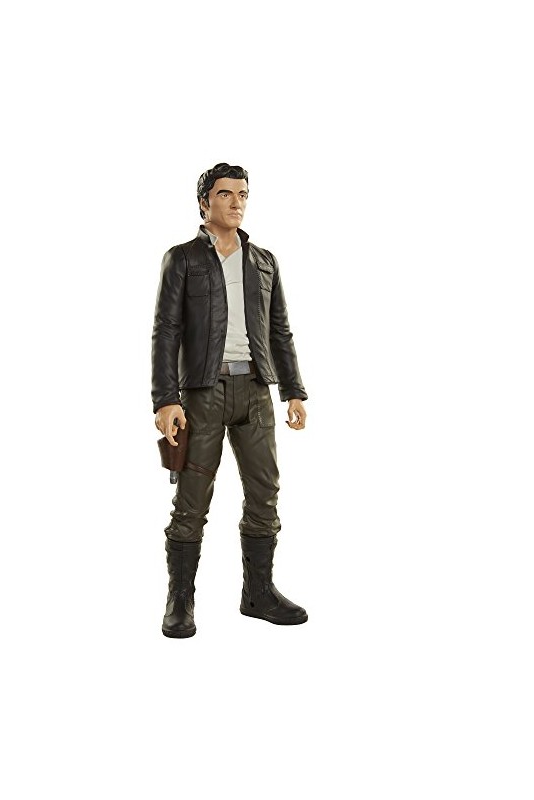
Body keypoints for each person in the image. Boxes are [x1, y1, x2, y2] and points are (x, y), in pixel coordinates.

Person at [151, 162, 309, 638]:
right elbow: (166, 331)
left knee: (265, 493)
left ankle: (258, 592)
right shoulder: (182, 259)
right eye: (225, 194)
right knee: (192, 500)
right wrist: (166, 399)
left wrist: (293, 389)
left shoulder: (263, 261)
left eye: (242, 194)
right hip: (203, 393)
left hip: (256, 391)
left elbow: (279, 329)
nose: (236, 202)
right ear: (205, 202)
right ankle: (180, 600)